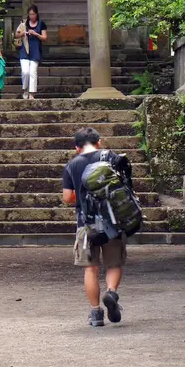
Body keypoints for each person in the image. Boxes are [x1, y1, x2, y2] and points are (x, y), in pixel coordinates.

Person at [62, 127, 132, 327]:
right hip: (113, 220)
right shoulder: (111, 157)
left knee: (91, 269)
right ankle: (111, 292)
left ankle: (96, 314)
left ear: (77, 148)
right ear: (99, 142)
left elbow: (67, 197)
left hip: (87, 223)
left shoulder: (72, 165)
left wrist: (84, 196)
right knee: (114, 263)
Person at [15, 5, 47, 99]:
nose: (31, 16)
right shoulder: (24, 23)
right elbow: (16, 35)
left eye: (33, 14)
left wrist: (36, 34)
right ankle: (25, 89)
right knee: (25, 72)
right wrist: (23, 33)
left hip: (35, 50)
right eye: (30, 14)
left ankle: (32, 93)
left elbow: (44, 37)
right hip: (24, 50)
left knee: (33, 72)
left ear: (36, 14)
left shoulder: (41, 24)